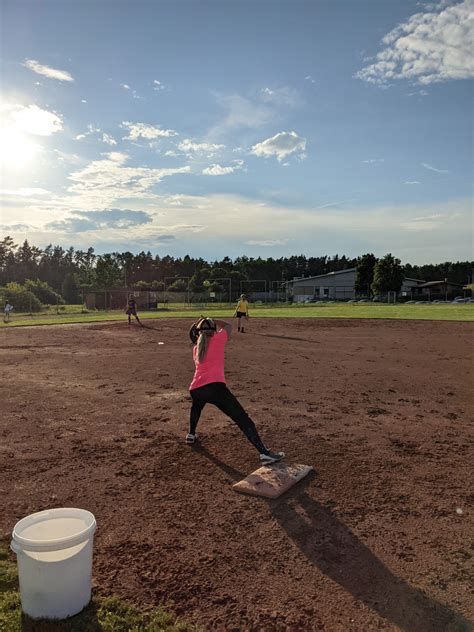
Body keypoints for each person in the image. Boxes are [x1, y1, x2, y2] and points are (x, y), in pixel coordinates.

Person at [187, 316, 284, 463]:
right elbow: (228, 326)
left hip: (196, 389)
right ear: (213, 331)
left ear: (198, 333)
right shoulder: (218, 340)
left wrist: (202, 325)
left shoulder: (196, 349)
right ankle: (264, 453)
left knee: (197, 407)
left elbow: (202, 338)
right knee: (242, 419)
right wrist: (213, 320)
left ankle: (191, 434)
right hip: (216, 389)